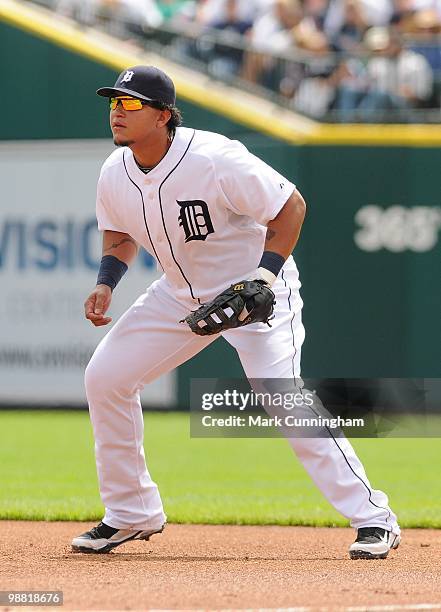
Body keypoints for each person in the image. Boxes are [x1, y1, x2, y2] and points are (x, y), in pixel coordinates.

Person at [71, 65, 401, 559]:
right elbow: (119, 236)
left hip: (255, 291)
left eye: (132, 103)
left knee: (282, 398)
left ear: (163, 115)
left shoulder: (214, 157)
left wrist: (265, 277)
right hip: (180, 294)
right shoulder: (114, 170)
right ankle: (130, 512)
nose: (118, 110)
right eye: (114, 101)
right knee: (106, 378)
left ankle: (375, 518)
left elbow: (290, 206)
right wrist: (105, 282)